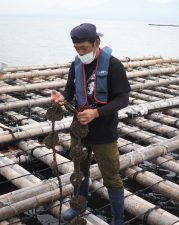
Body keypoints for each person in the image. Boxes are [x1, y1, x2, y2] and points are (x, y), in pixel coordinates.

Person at [51, 23, 130, 225]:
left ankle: (118, 219)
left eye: (84, 48)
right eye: (76, 49)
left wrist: (96, 112)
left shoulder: (113, 65)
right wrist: (62, 98)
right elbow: (69, 91)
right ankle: (80, 203)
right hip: (78, 131)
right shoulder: (76, 64)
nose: (80, 52)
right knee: (80, 171)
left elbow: (123, 100)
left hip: (105, 132)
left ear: (97, 42)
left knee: (111, 177)